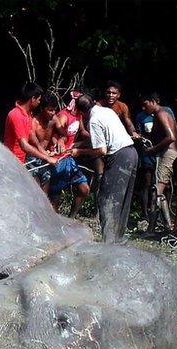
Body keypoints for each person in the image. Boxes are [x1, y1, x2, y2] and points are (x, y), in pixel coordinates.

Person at [71, 93, 138, 243]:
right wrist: (78, 145)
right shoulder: (106, 111)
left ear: (81, 112)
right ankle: (118, 239)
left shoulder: (93, 120)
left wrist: (79, 152)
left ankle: (109, 243)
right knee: (123, 200)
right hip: (132, 153)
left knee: (107, 199)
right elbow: (102, 137)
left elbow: (101, 150)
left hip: (120, 156)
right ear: (94, 102)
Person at [27, 94, 89, 216]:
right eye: (49, 110)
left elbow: (63, 134)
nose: (52, 113)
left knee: (46, 195)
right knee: (38, 195)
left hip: (48, 159)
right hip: (35, 159)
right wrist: (46, 155)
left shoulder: (54, 119)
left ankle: (58, 222)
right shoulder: (33, 123)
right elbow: (34, 145)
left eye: (54, 109)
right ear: (42, 108)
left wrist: (61, 140)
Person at [140, 92, 177, 232]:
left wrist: (153, 149)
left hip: (167, 154)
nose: (144, 109)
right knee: (160, 191)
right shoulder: (166, 113)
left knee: (156, 190)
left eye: (145, 105)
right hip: (169, 153)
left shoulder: (161, 113)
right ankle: (167, 226)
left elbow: (170, 137)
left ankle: (151, 229)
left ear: (152, 101)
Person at [3, 82, 44, 164]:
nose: (39, 102)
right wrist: (46, 157)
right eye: (39, 99)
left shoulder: (28, 113)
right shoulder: (16, 115)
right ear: (33, 99)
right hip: (11, 161)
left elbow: (30, 132)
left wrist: (40, 147)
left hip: (21, 160)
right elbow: (24, 145)